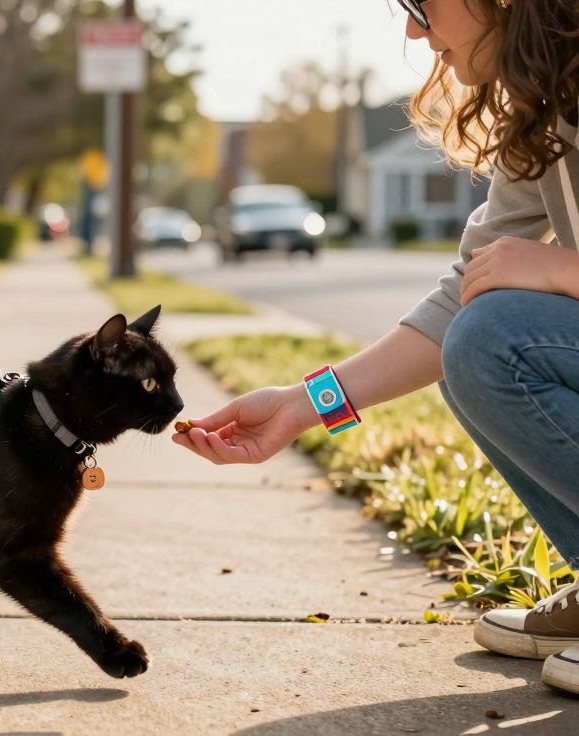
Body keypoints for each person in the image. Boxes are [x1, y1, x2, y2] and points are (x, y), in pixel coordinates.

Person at [174, 0, 579, 695]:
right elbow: (459, 301)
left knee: (492, 335)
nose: (414, 32)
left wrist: (563, 270)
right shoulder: (542, 108)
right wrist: (306, 405)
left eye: (422, 5)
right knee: (475, 338)